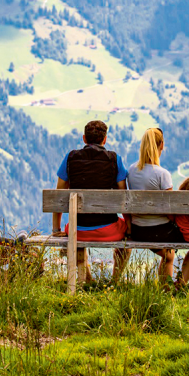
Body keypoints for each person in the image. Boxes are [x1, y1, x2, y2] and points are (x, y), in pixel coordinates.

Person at [53, 120, 131, 282]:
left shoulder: (70, 158)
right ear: (105, 140)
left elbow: (58, 196)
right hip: (109, 229)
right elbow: (123, 197)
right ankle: (114, 281)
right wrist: (129, 228)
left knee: (73, 229)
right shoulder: (115, 159)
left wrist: (56, 229)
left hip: (78, 229)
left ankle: (87, 279)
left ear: (84, 138)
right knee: (126, 239)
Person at [126, 128, 180, 281]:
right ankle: (166, 288)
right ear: (161, 145)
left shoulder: (131, 170)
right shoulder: (162, 174)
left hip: (137, 230)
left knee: (168, 253)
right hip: (161, 231)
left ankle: (165, 287)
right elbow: (170, 209)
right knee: (169, 255)